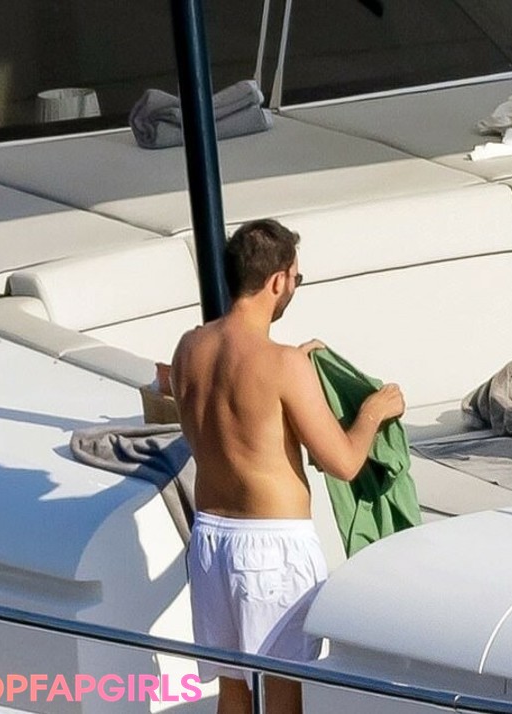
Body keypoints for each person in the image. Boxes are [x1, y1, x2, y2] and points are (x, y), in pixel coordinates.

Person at [170, 219, 405, 714]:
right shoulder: (283, 365)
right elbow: (343, 462)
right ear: (278, 280)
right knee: (282, 695)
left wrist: (291, 367)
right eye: (297, 277)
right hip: (271, 550)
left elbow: (233, 399)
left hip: (210, 541)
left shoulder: (189, 348)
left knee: (233, 692)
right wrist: (373, 412)